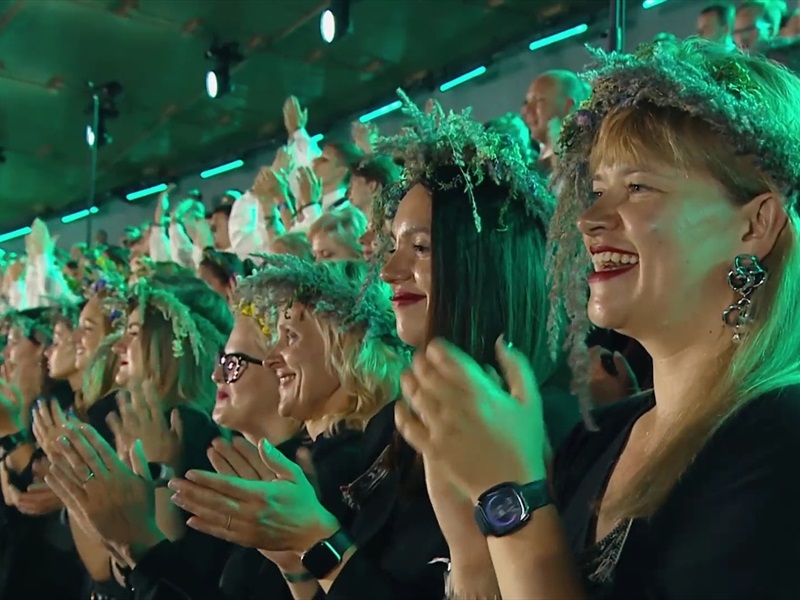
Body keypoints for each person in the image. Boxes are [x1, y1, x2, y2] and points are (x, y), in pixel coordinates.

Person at [401, 37, 800, 599]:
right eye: (596, 190)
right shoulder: (600, 438)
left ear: (756, 225)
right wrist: (471, 551)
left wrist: (511, 497)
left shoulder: (781, 439)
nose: (589, 219)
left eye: (638, 188)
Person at [521, 70, 590, 173]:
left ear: (568, 106)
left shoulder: (584, 162)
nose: (526, 110)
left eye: (538, 100)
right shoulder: (529, 165)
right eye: (527, 102)